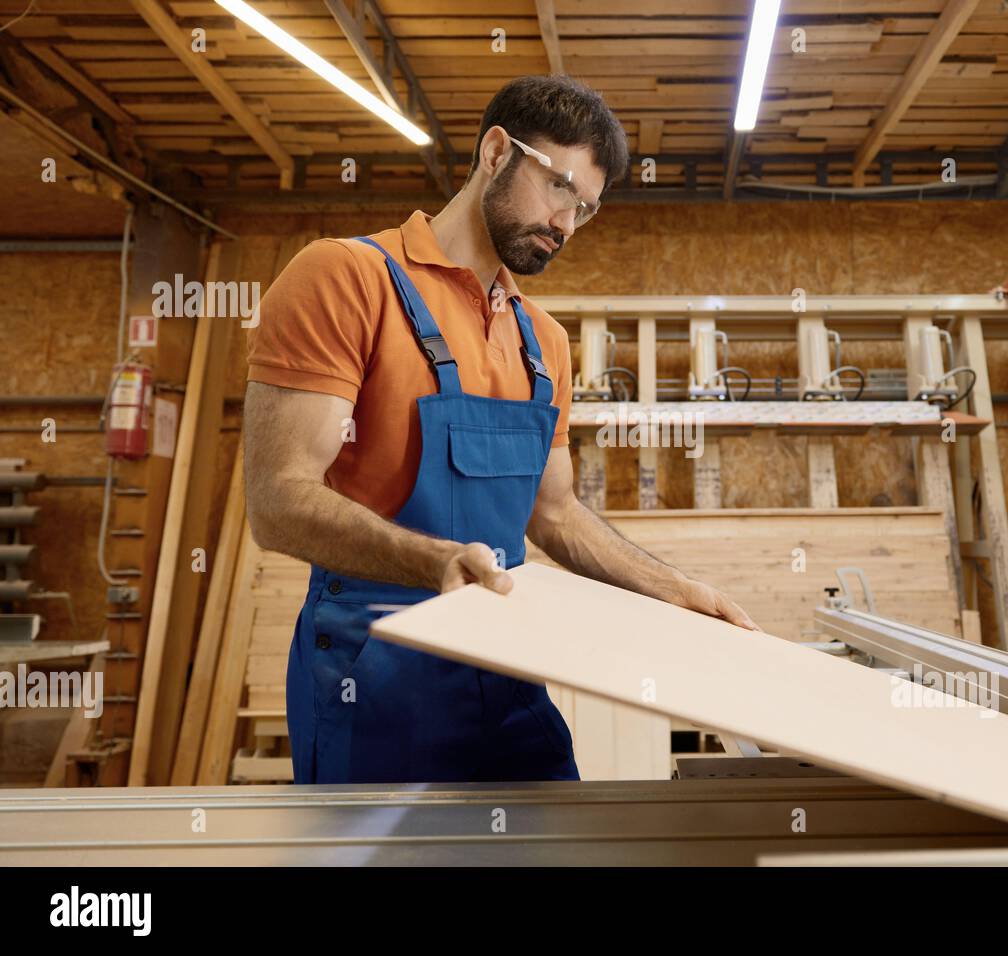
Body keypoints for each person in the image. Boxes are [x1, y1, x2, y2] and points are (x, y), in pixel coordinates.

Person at [243, 75, 755, 785]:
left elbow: (555, 513)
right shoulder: (347, 277)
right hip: (373, 666)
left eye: (585, 208)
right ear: (495, 152)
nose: (566, 223)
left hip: (503, 661)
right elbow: (277, 499)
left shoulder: (545, 343)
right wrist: (435, 562)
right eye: (559, 188)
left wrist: (672, 588)